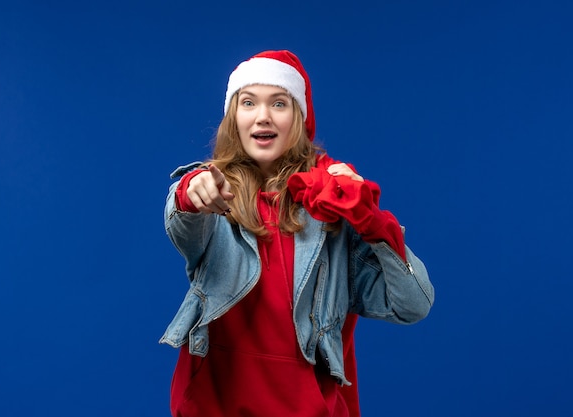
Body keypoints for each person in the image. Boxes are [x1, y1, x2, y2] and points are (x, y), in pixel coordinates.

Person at [159, 50, 434, 417]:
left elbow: (413, 305)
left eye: (278, 103)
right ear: (234, 118)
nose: (263, 116)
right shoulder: (213, 192)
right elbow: (183, 224)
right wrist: (190, 192)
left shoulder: (330, 203)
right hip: (214, 404)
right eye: (248, 102)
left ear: (299, 118)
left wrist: (370, 219)